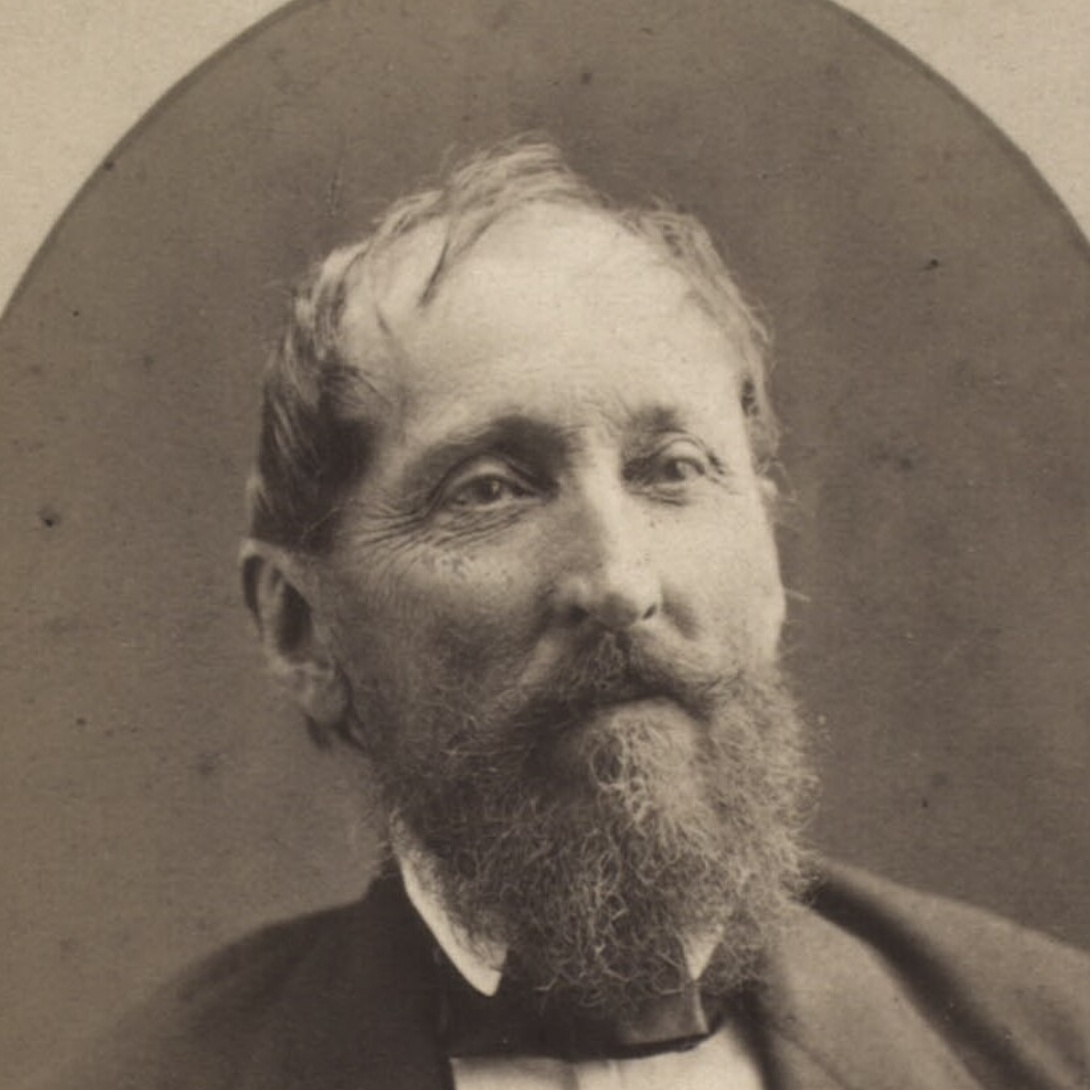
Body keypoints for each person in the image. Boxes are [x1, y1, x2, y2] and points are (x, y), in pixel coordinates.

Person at [34, 137, 1090, 1090]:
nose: (619, 580)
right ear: (301, 629)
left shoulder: (1051, 1044)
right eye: (491, 489)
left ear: (769, 564)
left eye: (673, 470)